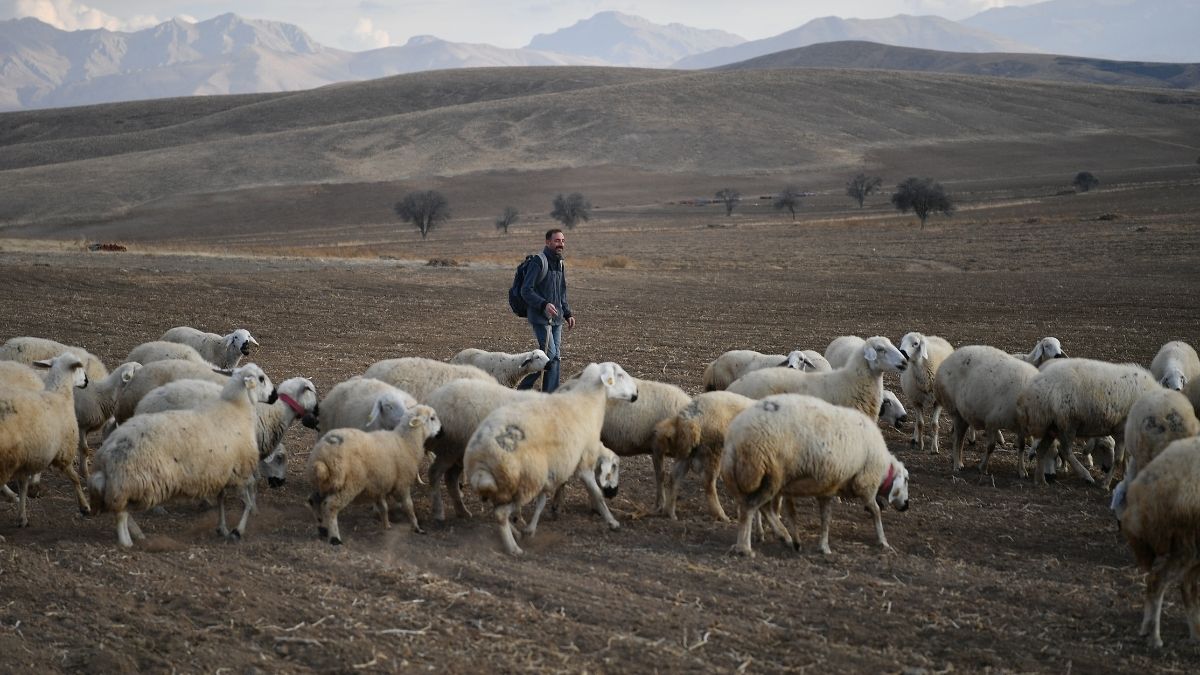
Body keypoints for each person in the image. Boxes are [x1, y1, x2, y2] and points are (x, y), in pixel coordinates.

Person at [517, 229, 575, 392]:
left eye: (563, 241)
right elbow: (525, 290)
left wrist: (567, 313)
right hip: (541, 318)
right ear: (548, 242)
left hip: (557, 320)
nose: (561, 244)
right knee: (553, 357)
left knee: (547, 358)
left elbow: (561, 292)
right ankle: (550, 394)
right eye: (557, 241)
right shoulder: (538, 262)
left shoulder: (560, 263)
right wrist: (543, 305)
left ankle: (522, 385)